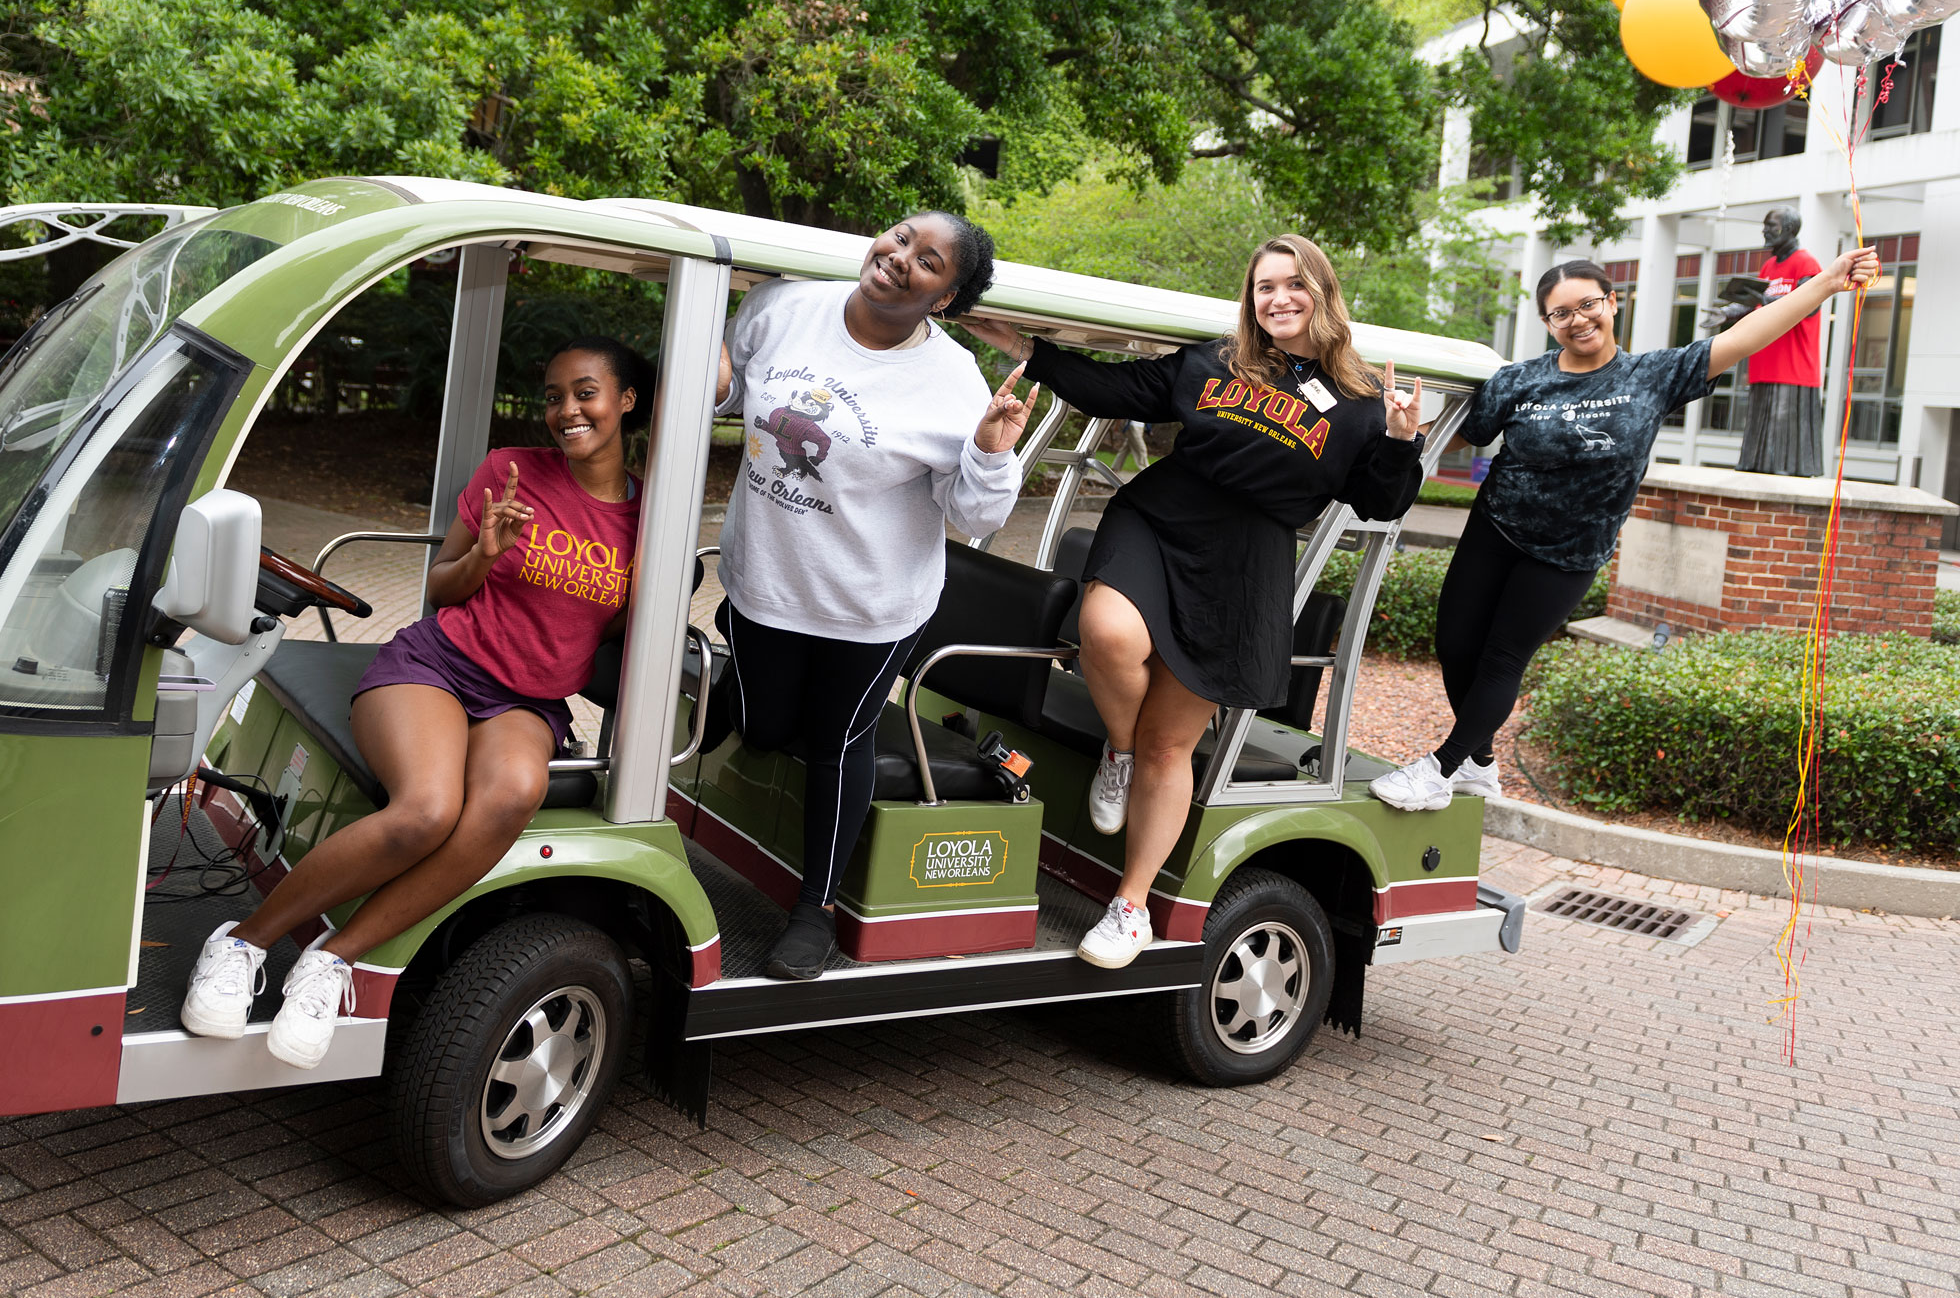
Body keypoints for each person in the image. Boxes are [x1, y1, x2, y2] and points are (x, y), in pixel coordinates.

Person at [181, 337, 655, 1066]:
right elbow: (440, 587)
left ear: (625, 400)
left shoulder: (651, 516)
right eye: (554, 396)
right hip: (439, 664)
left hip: (525, 701)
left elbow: (622, 627)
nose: (567, 410)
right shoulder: (512, 470)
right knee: (427, 810)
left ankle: (332, 959)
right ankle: (243, 944)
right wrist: (485, 555)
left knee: (513, 794)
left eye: (585, 392)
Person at [968, 235, 1426, 969]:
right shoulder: (1215, 361)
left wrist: (1401, 440)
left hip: (1245, 566)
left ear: (1322, 291)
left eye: (1293, 283)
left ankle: (1130, 906)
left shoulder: (1362, 400)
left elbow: (1379, 499)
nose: (1277, 298)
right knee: (1109, 635)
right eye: (1264, 286)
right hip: (1159, 521)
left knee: (1170, 745)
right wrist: (1027, 349)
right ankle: (1117, 752)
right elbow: (1113, 390)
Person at [1372, 243, 1881, 812]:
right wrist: (1405, 431)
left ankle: (1440, 770)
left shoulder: (1652, 375)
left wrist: (1827, 282)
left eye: (1587, 305)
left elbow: (1747, 334)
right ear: (1547, 323)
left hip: (1568, 553)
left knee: (1502, 658)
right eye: (1561, 313)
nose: (1577, 320)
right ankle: (1480, 764)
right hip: (1495, 529)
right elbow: (1464, 435)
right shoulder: (1519, 380)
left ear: (1613, 303)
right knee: (1454, 645)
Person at [714, 211, 1037, 980]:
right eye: (900, 237)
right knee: (761, 729)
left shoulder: (952, 381)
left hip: (870, 609)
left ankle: (813, 909)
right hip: (765, 584)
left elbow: (974, 515)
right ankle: (756, 675)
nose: (900, 258)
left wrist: (991, 450)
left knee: (838, 743)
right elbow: (728, 398)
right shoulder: (783, 306)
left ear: (945, 298)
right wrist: (715, 374)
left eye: (928, 262)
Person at [1699, 205, 1825, 477]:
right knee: (1756, 456)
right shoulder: (1768, 266)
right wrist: (1727, 313)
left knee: (1782, 457)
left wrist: (1764, 298)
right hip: (1763, 363)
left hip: (1793, 369)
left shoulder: (1806, 263)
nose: (1764, 231)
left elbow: (1809, 304)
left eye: (1771, 226)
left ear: (1788, 229)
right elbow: (1755, 305)